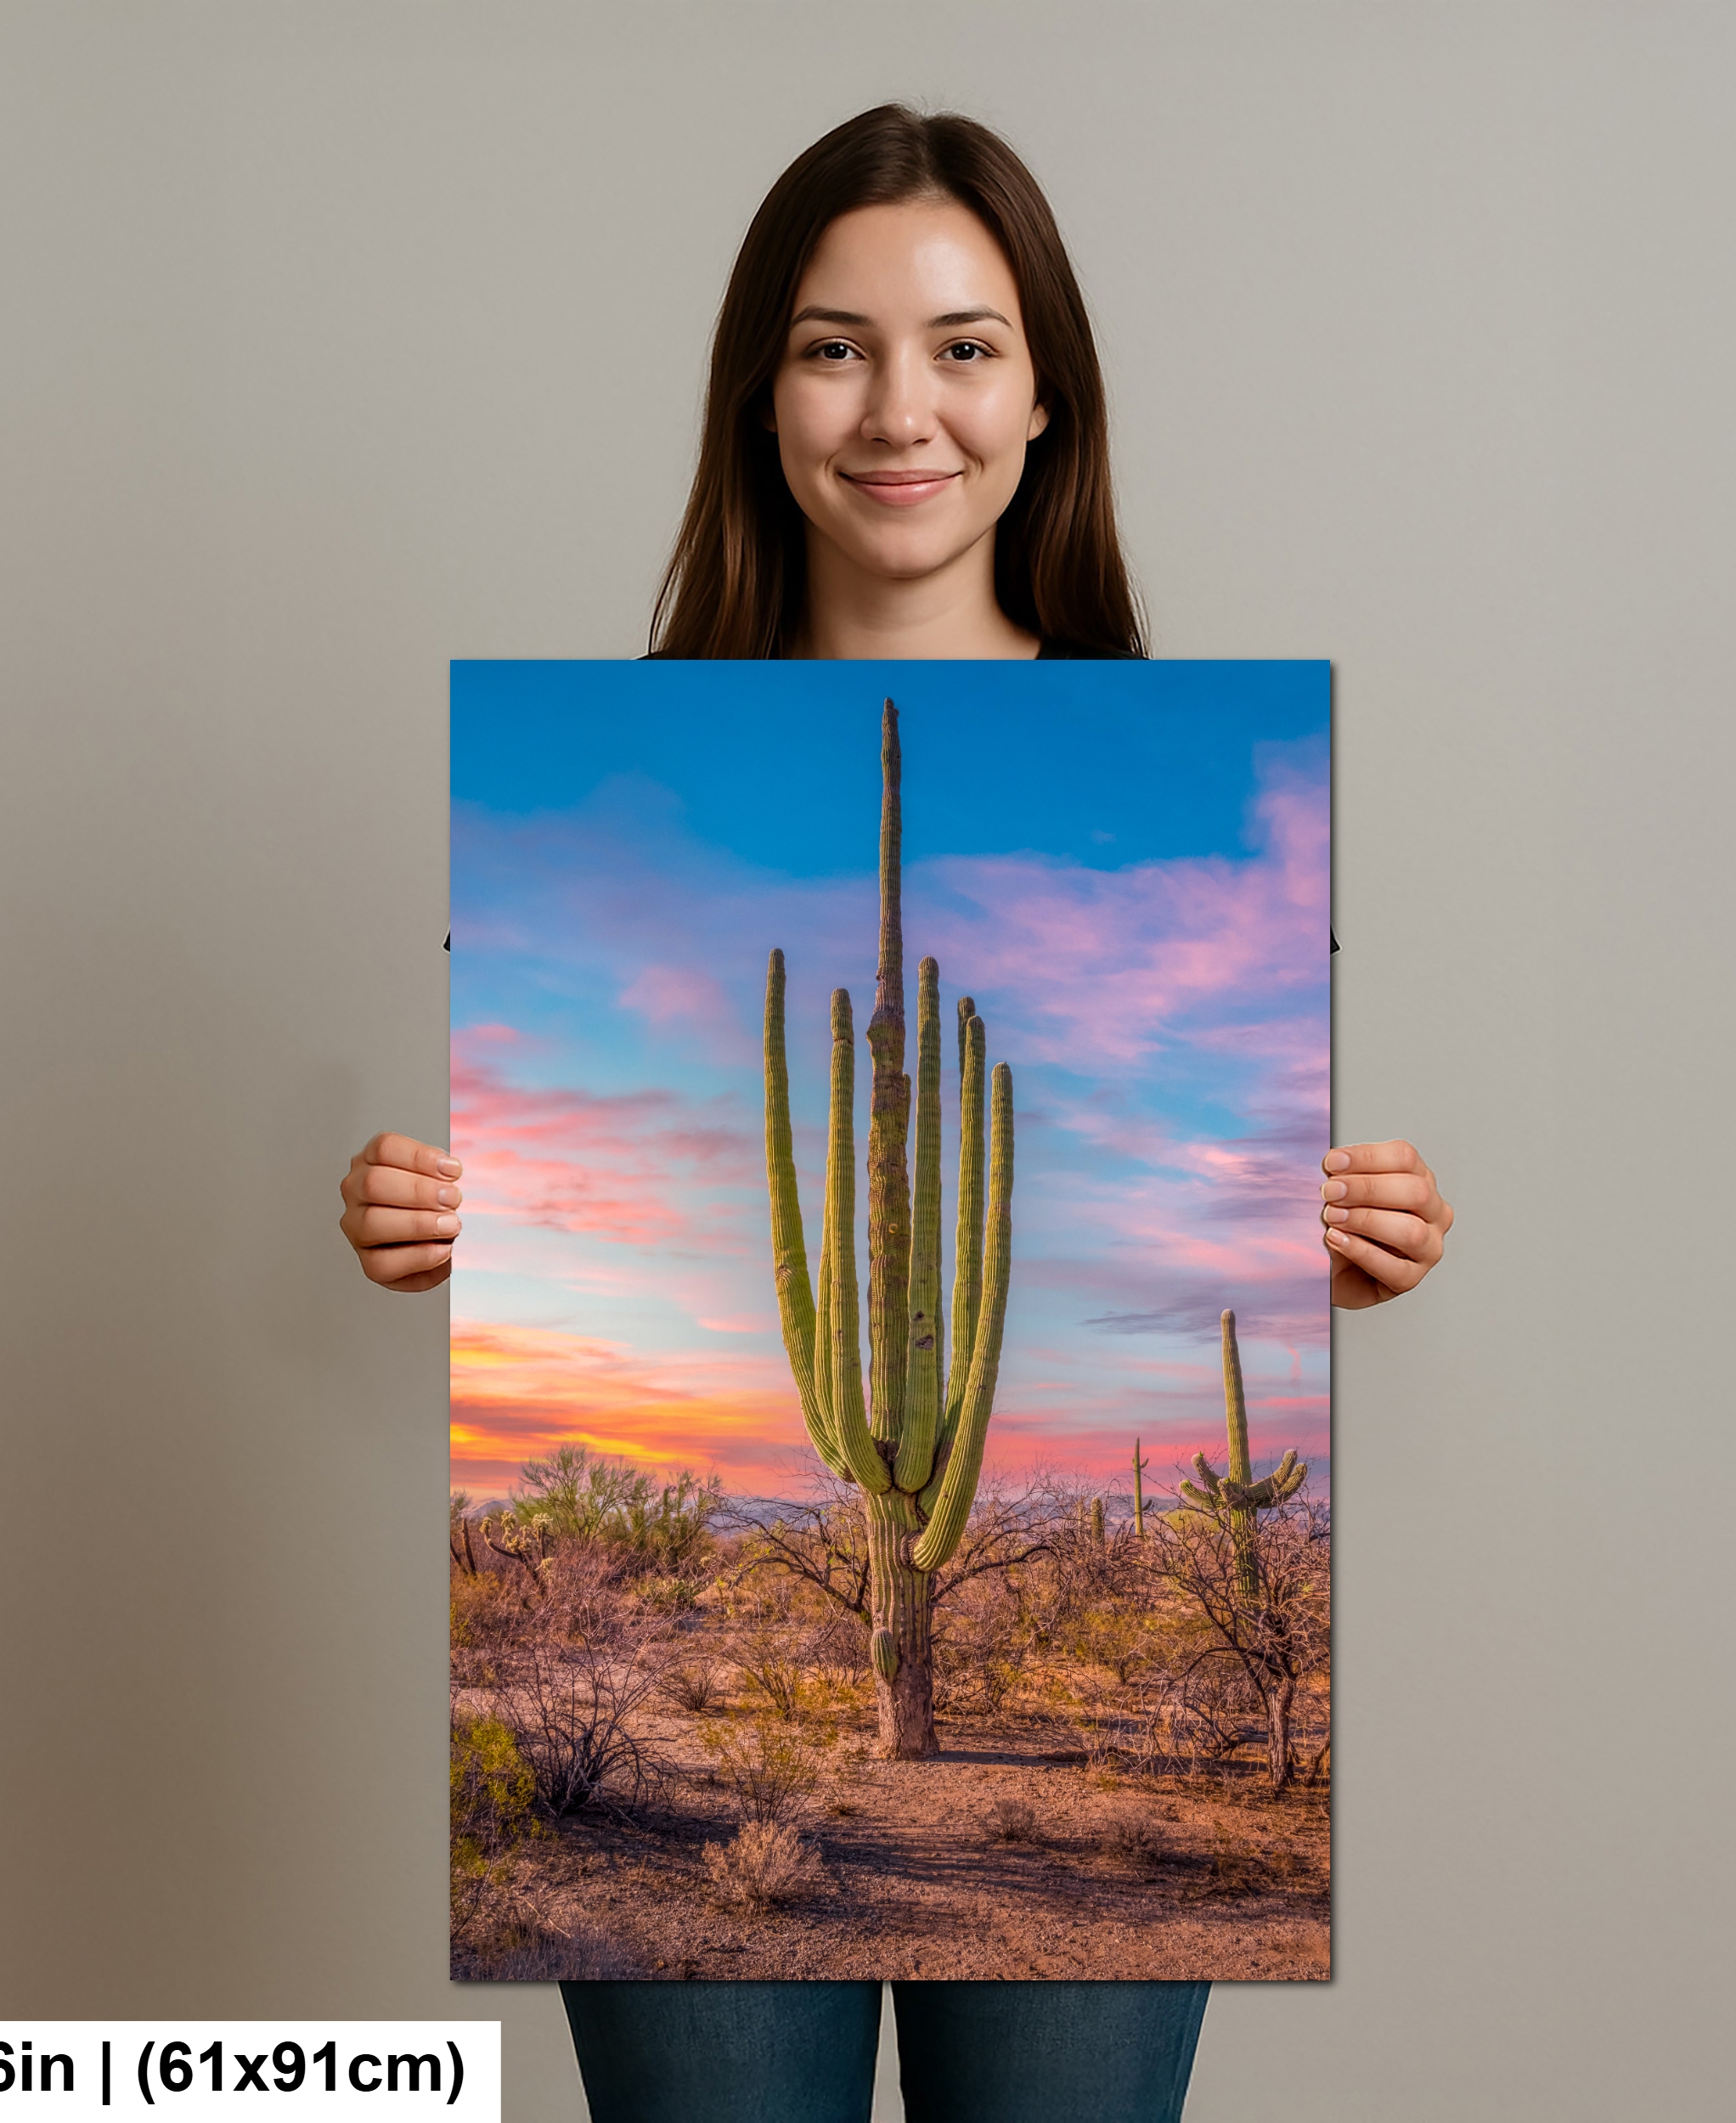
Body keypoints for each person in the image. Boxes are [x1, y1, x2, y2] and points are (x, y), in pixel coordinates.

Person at [339, 104, 1451, 2123]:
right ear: (761, 392)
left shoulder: (1206, 744)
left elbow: (1261, 1230)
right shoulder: (576, 752)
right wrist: (418, 1213)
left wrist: (1350, 1247)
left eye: (962, 343)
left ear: (1043, 399)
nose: (898, 406)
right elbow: (521, 1200)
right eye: (833, 342)